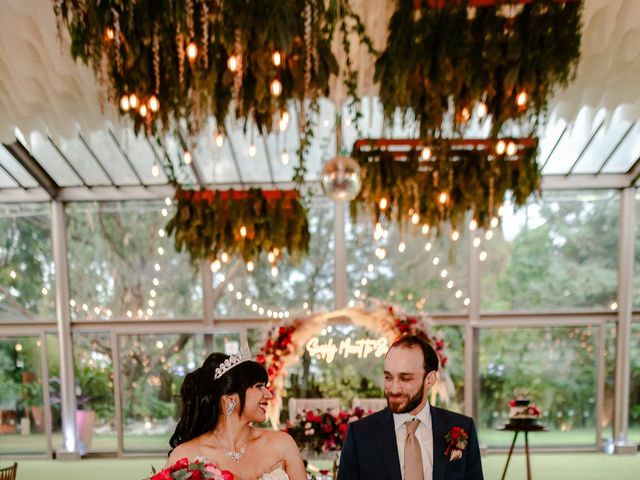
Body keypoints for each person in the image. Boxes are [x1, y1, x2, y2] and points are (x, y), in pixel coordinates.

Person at [337, 334, 483, 480]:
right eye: (388, 377)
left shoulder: (463, 427)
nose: (393, 389)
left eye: (405, 378)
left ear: (430, 380)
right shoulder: (360, 435)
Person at [166, 344, 307, 480]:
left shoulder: (283, 444)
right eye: (259, 387)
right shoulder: (186, 455)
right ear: (229, 397)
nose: (269, 395)